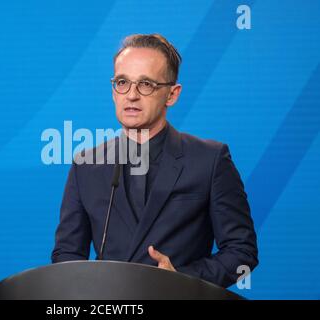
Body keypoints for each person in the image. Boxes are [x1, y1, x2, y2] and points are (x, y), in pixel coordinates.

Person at [51, 34, 258, 288]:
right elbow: (67, 256)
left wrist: (182, 280)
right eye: (122, 82)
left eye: (146, 84)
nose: (131, 95)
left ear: (172, 95)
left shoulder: (211, 160)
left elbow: (242, 252)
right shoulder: (86, 166)